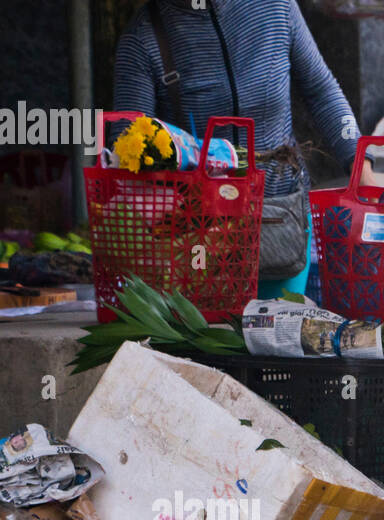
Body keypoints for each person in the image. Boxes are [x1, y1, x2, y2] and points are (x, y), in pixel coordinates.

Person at [113, 0, 360, 297]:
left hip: (282, 218)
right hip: (197, 231)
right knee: (210, 336)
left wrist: (360, 163)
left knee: (277, 332)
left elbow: (321, 91)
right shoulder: (143, 38)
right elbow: (127, 151)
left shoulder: (276, 7)